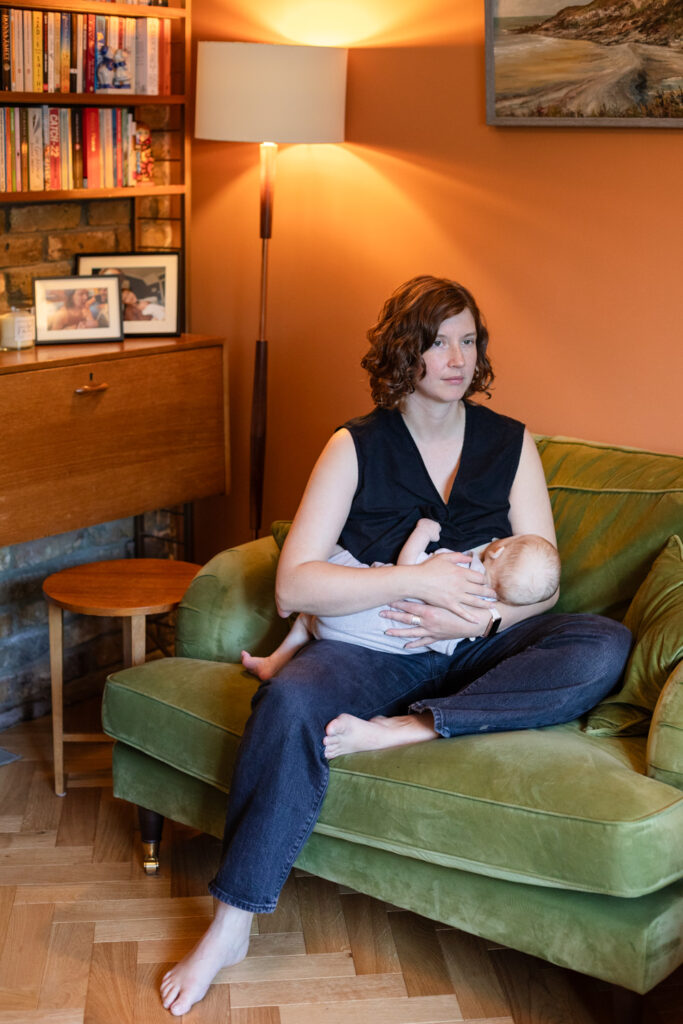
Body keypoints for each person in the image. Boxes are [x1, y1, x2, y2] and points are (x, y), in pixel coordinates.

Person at [160, 275, 631, 1016]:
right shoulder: (354, 446)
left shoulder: (510, 443)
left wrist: (466, 622)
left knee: (600, 641)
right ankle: (234, 921)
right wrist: (409, 584)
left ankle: (408, 726)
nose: (456, 358)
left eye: (468, 341)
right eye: (437, 341)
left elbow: (543, 588)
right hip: (371, 645)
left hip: (475, 645)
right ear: (403, 353)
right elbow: (294, 586)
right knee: (287, 701)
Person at [241, 520, 561, 681]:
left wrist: (424, 531)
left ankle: (280, 652)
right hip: (366, 639)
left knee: (333, 570)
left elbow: (409, 565)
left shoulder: (458, 564)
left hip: (348, 611)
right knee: (314, 620)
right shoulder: (478, 613)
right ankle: (277, 660)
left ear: (498, 549)